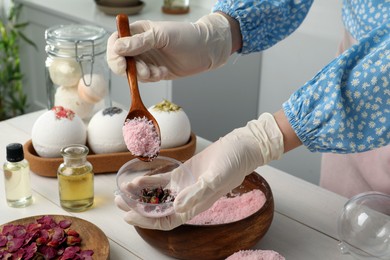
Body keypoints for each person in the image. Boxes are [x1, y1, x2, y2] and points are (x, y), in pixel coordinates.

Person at [107, 0, 389, 230]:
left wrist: (265, 138)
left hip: (368, 88)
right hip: (349, 79)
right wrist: (220, 31)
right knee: (349, 230)